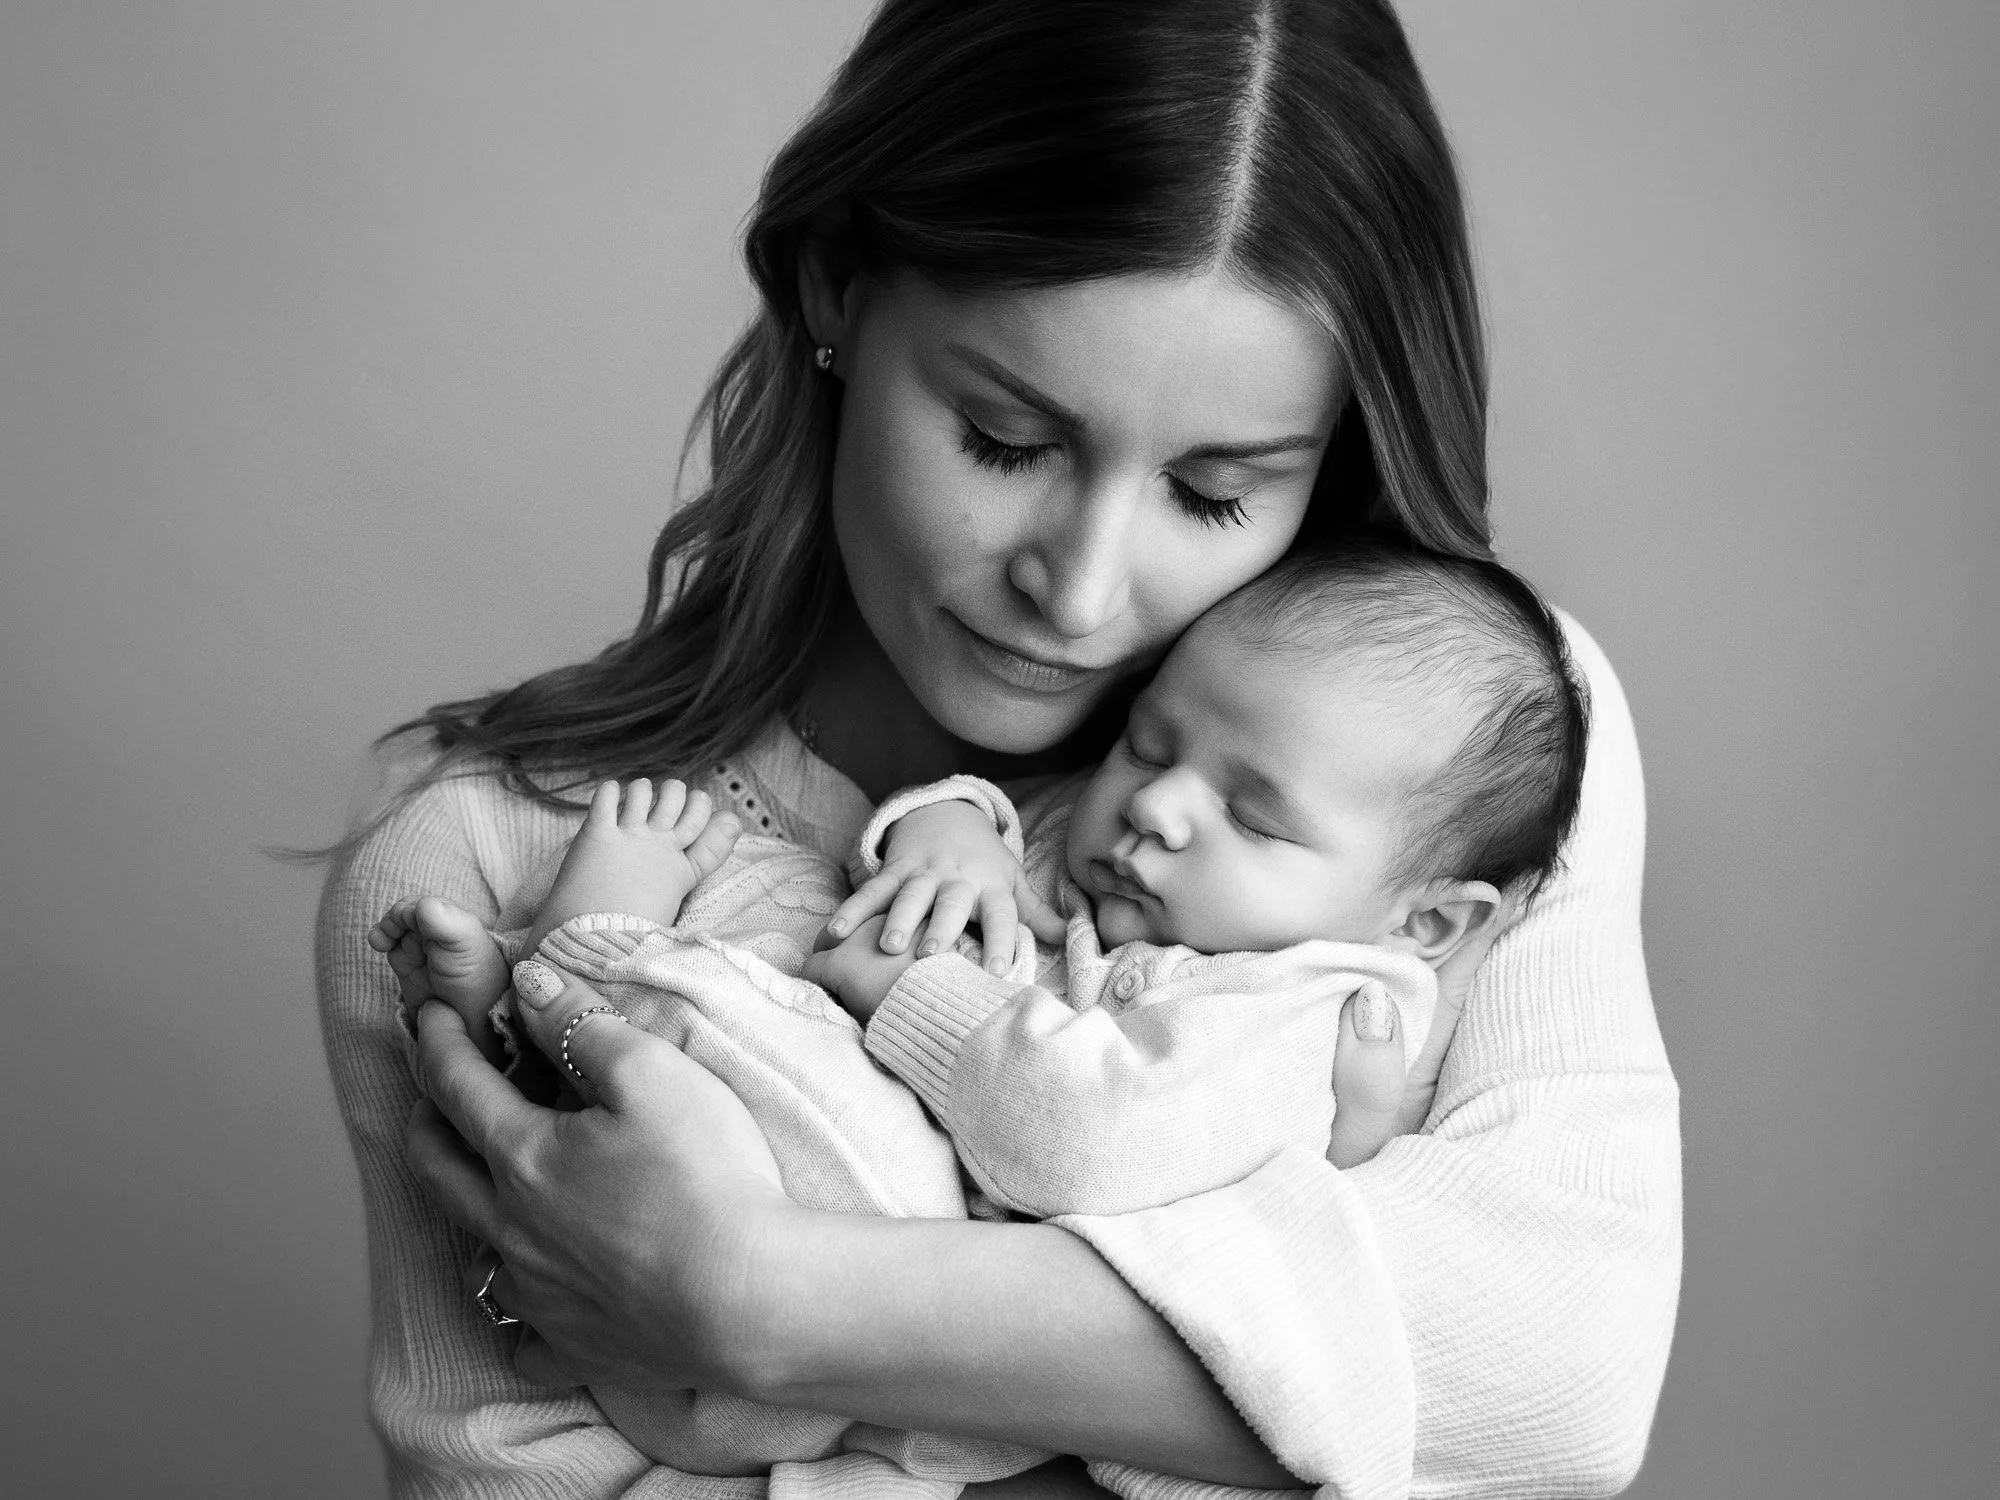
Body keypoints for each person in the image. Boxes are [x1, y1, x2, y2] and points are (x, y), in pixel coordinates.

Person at [317, 1, 1680, 1495]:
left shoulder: (1451, 770)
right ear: (836, 289)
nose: (1082, 592)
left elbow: (1560, 1383)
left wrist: (760, 1304)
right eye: (1007, 443)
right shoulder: (488, 854)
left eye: (1216, 493)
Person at [366, 545, 1588, 1497]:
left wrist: (907, 996)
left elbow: (1081, 1140)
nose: (1156, 805)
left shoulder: (1301, 1013)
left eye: (1253, 816)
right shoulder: (1143, 867)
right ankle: (540, 1007)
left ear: (1424, 923)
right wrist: (950, 829)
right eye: (1150, 739)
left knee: (799, 1034)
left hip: (877, 1270)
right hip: (739, 1247)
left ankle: (579, 960)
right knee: (797, 912)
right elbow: (1013, 819)